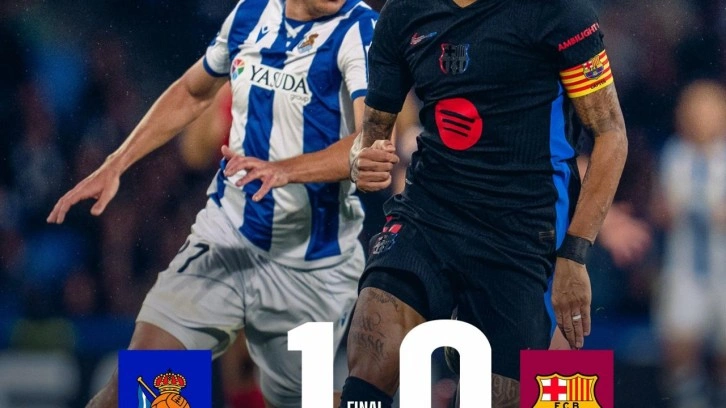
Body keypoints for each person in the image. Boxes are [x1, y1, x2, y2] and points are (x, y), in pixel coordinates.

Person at [46, 0, 378, 406]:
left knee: (291, 399)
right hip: (227, 237)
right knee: (139, 389)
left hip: (312, 260)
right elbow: (192, 93)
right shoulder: (249, 15)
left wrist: (285, 169)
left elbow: (370, 140)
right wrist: (116, 162)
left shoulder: (360, 28)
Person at [341, 0, 628, 406]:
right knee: (369, 366)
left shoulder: (558, 12)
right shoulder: (404, 12)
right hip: (428, 212)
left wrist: (575, 254)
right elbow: (374, 133)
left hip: (521, 231)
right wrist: (363, 160)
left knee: (499, 397)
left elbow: (611, 133)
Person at [652, 80, 726, 408]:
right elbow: (659, 211)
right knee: (679, 348)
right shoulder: (674, 154)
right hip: (684, 267)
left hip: (722, 268)